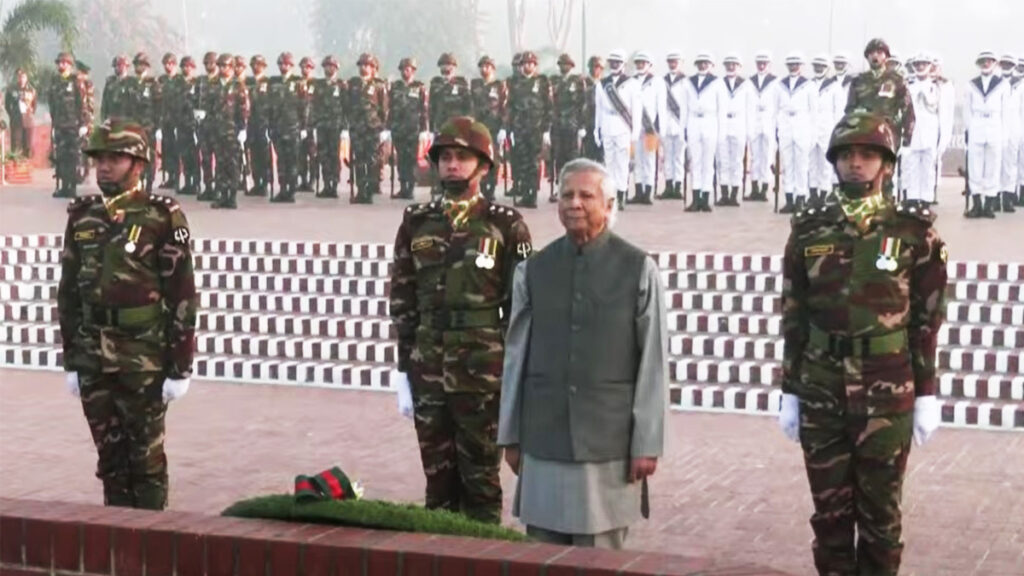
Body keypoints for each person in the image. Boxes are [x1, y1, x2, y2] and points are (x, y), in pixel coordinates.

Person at [778, 111, 947, 576]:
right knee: (830, 517)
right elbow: (794, 313)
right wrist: (790, 390)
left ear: (887, 164)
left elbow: (926, 321)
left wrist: (927, 393)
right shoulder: (810, 227)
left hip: (886, 388)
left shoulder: (913, 230)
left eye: (868, 155)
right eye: (847, 155)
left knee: (881, 519)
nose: (856, 163)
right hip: (822, 386)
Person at [498, 157, 666, 549]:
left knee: (599, 555)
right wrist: (511, 435)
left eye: (586, 196)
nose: (574, 203)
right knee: (542, 552)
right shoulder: (533, 270)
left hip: (607, 442)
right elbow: (516, 356)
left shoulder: (638, 269)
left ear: (608, 205)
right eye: (566, 195)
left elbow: (653, 362)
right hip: (543, 438)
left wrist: (647, 442)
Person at [389, 116, 532, 524]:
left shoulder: (505, 224)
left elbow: (522, 307)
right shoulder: (416, 220)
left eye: (462, 158)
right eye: (445, 157)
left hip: (482, 369)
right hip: (429, 363)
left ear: (483, 167)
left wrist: (513, 371)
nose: (452, 165)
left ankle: (480, 552)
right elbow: (403, 298)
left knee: (481, 479)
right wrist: (405, 368)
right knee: (437, 481)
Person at [57, 118, 198, 510]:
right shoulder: (82, 216)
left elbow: (182, 294)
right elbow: (69, 294)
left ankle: (150, 539)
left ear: (138, 164)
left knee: (146, 464)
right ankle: (117, 539)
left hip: (143, 359)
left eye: (115, 159)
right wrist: (73, 360)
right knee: (111, 463)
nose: (103, 167)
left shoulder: (162, 216)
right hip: (93, 357)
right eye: (99, 158)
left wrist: (180, 366)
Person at [964, 50, 1010, 218]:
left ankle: (989, 204)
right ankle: (977, 204)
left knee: (993, 167)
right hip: (977, 125)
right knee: (975, 167)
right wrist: (969, 130)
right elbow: (967, 111)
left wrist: (1005, 136)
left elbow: (1006, 112)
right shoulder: (971, 84)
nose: (986, 63)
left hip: (995, 125)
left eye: (989, 61)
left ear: (994, 63)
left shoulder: (1003, 84)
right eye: (983, 61)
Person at [594, 49, 640, 211]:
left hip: (623, 127)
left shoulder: (632, 83)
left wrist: (635, 131)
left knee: (622, 163)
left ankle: (621, 194)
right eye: (612, 62)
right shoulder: (602, 84)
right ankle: (610, 195)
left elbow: (636, 109)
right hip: (607, 125)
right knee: (609, 163)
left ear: (624, 64)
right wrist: (597, 129)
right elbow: (599, 109)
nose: (614, 64)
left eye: (618, 62)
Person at [346, 52, 389, 203]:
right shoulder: (353, 84)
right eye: (361, 65)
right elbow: (347, 105)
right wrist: (348, 124)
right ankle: (361, 191)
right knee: (359, 160)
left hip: (373, 128)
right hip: (357, 128)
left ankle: (370, 191)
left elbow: (384, 108)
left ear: (373, 68)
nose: (364, 68)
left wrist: (383, 128)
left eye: (367, 65)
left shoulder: (379, 85)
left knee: (372, 161)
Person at [683, 51, 722, 213]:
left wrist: (721, 131)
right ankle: (695, 197)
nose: (703, 65)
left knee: (708, 162)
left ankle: (705, 198)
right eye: (700, 63)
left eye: (706, 63)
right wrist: (683, 128)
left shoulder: (717, 82)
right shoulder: (688, 82)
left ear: (711, 65)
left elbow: (721, 108)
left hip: (710, 121)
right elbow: (684, 107)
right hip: (693, 121)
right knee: (695, 161)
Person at [776, 52, 814, 214]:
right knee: (788, 164)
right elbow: (776, 109)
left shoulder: (809, 85)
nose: (793, 67)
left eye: (796, 64)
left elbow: (813, 112)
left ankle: (801, 198)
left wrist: (812, 134)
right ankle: (789, 198)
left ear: (801, 66)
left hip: (802, 124)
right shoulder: (780, 85)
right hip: (786, 124)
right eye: (791, 64)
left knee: (801, 165)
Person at [48, 52, 90, 198]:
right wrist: (53, 124)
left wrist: (83, 124)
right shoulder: (54, 81)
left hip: (73, 125)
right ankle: (64, 186)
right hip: (60, 125)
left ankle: (72, 187)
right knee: (61, 157)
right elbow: (52, 104)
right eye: (59, 63)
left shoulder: (76, 81)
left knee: (72, 157)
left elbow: (82, 103)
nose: (61, 65)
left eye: (64, 63)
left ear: (70, 65)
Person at [389, 57, 428, 200]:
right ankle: (403, 187)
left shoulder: (419, 87)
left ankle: (410, 188)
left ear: (413, 71)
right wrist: (388, 127)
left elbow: (424, 109)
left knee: (411, 159)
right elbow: (390, 107)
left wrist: (424, 129)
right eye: (403, 69)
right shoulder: (395, 87)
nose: (405, 71)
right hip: (398, 128)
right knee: (401, 159)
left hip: (413, 129)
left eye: (408, 69)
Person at [629, 52, 663, 205]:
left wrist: (659, 127)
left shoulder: (657, 82)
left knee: (649, 159)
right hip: (635, 126)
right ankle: (638, 191)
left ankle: (648, 192)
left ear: (650, 65)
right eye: (638, 62)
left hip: (650, 127)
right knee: (637, 159)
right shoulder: (631, 81)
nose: (640, 65)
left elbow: (661, 106)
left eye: (643, 62)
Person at [717, 54, 751, 207]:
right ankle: (724, 193)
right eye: (728, 64)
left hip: (739, 123)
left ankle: (734, 195)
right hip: (723, 123)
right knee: (723, 160)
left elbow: (750, 108)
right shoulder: (719, 83)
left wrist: (749, 130)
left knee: (737, 161)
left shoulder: (746, 85)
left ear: (739, 67)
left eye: (734, 64)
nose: (731, 67)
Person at [748, 51, 778, 202]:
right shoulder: (750, 82)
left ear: (769, 64)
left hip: (768, 121)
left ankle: (764, 189)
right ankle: (754, 188)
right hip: (754, 121)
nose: (761, 66)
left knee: (767, 157)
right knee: (755, 157)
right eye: (759, 63)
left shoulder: (776, 82)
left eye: (764, 63)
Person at [658, 51, 686, 200]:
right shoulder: (661, 82)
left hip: (680, 123)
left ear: (681, 63)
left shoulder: (686, 82)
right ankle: (668, 186)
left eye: (675, 61)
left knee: (679, 157)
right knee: (668, 157)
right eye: (670, 61)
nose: (673, 64)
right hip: (667, 124)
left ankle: (678, 187)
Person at [4, 68, 36, 158]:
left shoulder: (31, 90)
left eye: (23, 77)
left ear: (27, 78)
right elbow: (7, 105)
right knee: (16, 146)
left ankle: (27, 163)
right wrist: (12, 115)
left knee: (28, 147)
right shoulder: (11, 90)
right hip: (16, 121)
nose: (21, 79)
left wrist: (30, 114)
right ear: (17, 78)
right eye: (19, 77)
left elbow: (34, 105)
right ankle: (16, 164)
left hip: (28, 121)